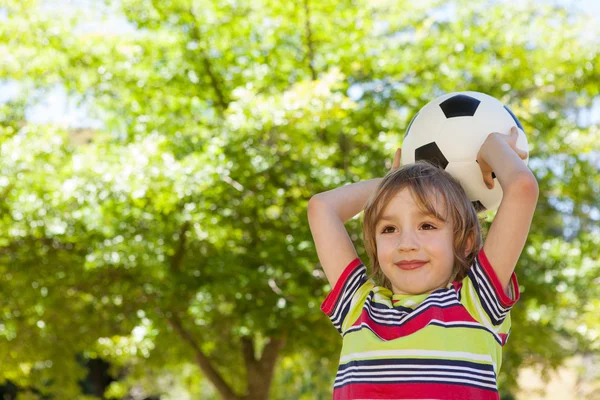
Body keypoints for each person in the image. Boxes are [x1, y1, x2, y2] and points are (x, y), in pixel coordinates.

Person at [307, 127, 538, 399]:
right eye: (389, 229)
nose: (406, 243)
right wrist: (392, 182)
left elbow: (522, 188)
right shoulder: (358, 307)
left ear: (465, 240)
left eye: (427, 225)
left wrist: (492, 146)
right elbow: (321, 207)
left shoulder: (476, 303)